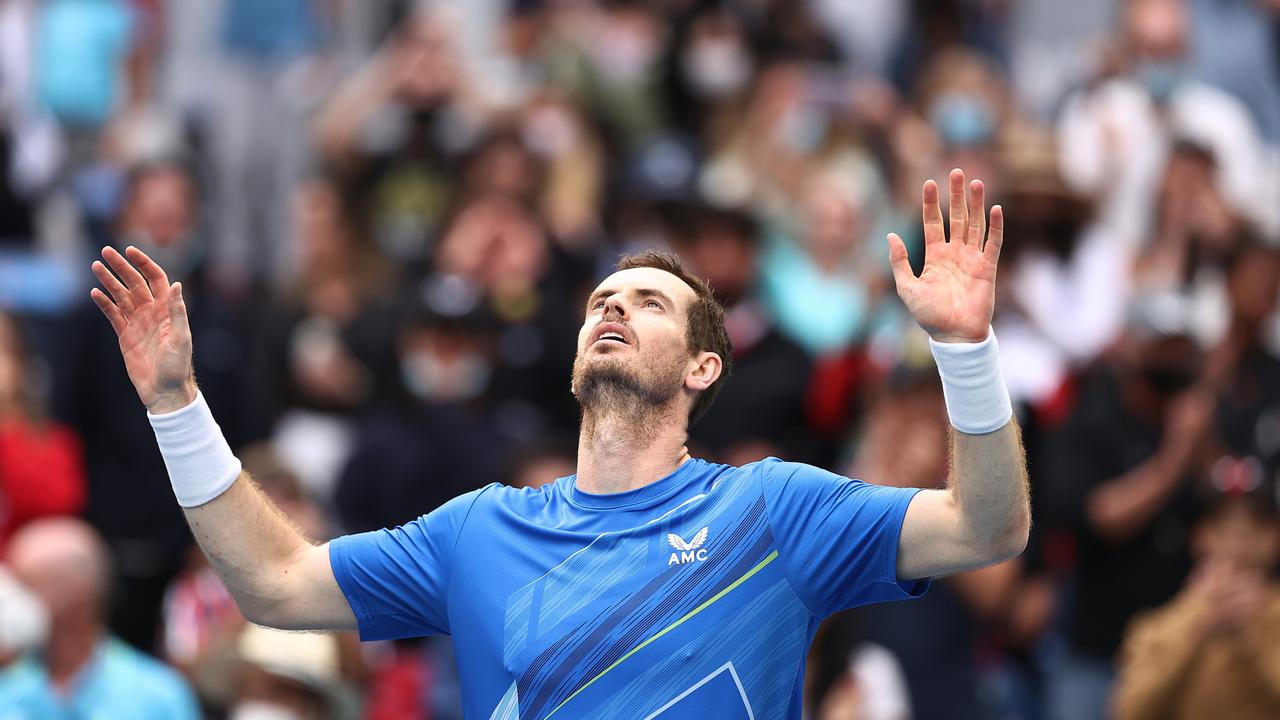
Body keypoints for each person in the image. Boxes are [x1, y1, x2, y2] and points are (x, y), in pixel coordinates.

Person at [88, 169, 1029, 718]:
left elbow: (986, 528)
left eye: (649, 303)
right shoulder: (475, 533)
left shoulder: (774, 508)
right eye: (600, 303)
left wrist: (966, 351)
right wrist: (176, 405)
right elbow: (276, 585)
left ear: (703, 369)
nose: (613, 306)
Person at [1110, 479, 1280, 720]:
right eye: (1223, 525)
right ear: (1201, 536)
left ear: (1275, 536)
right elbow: (1128, 711)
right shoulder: (1161, 624)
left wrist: (1255, 634)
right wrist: (1198, 628)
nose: (1239, 539)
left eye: (1256, 524)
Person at [0, 517, 200, 719]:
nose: (12, 601)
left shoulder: (158, 696)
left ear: (75, 594)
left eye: (26, 585)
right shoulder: (8, 688)